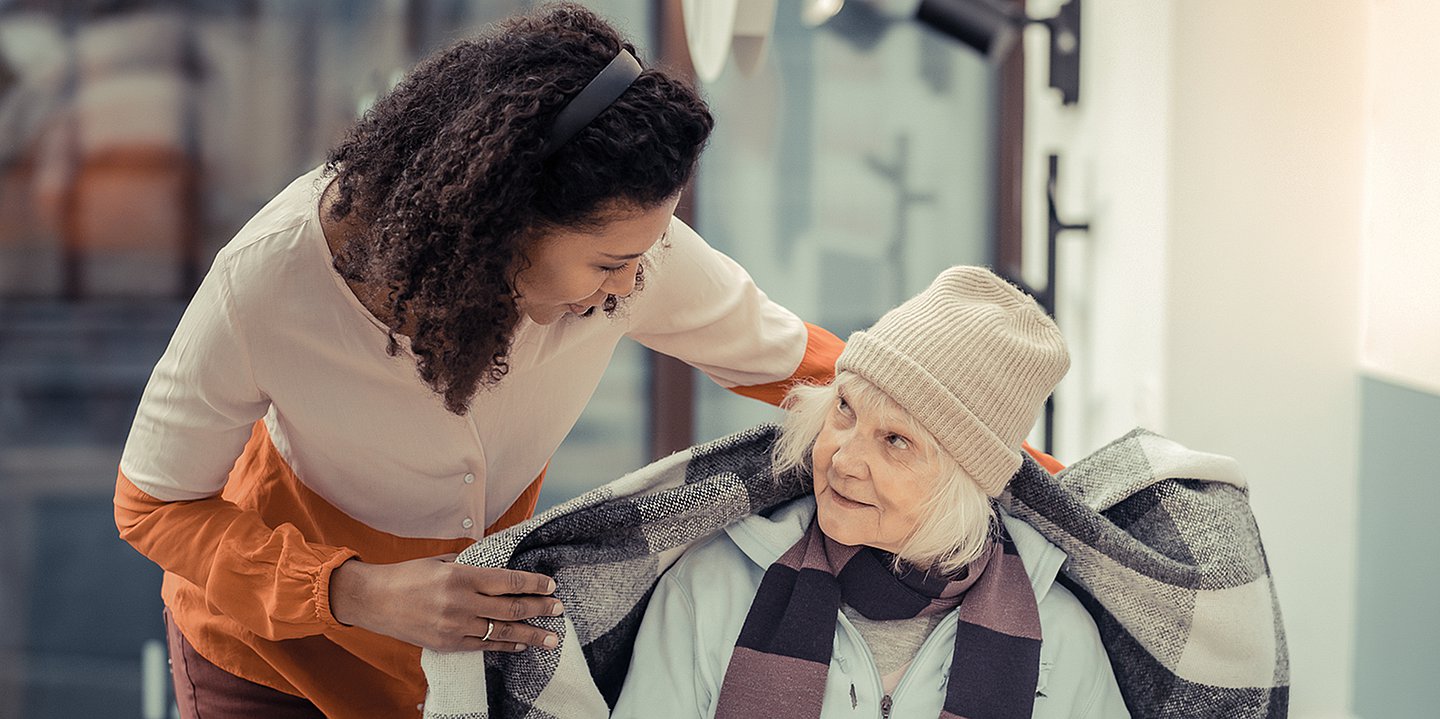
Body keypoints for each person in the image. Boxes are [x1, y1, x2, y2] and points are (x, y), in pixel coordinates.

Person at [112, 5, 842, 717]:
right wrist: (358, 591)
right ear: (503, 220)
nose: (632, 285)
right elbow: (152, 504)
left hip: (455, 672)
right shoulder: (269, 282)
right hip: (270, 659)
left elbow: (811, 369)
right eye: (611, 263)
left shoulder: (636, 259)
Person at [613, 266, 1130, 719]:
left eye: (896, 440)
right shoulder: (709, 591)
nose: (842, 460)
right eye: (845, 410)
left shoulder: (1061, 640)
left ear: (966, 483)